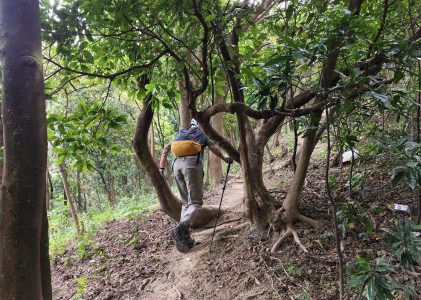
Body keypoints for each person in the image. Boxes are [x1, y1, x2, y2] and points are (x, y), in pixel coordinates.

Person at [159, 118, 232, 252]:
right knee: (196, 203)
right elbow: (214, 149)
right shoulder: (201, 135)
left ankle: (185, 239)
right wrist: (225, 159)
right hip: (191, 165)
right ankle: (180, 229)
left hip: (176, 166)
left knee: (186, 203)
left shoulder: (180, 135)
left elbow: (166, 149)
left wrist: (161, 168)